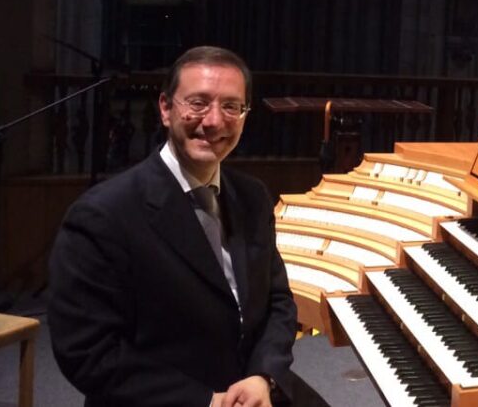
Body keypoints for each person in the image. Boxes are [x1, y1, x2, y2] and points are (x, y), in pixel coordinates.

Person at [49, 46, 297, 406]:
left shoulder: (253, 197)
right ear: (165, 109)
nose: (214, 120)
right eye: (197, 103)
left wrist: (263, 374)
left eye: (231, 106)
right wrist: (204, 401)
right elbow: (87, 351)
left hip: (251, 390)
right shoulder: (103, 215)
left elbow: (278, 301)